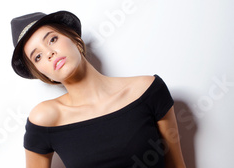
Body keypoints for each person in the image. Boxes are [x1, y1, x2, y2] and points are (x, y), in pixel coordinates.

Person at [10, 11, 186, 168]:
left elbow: (176, 164)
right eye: (38, 56)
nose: (49, 53)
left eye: (52, 39)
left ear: (75, 39)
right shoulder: (46, 118)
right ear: (42, 74)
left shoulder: (147, 90)